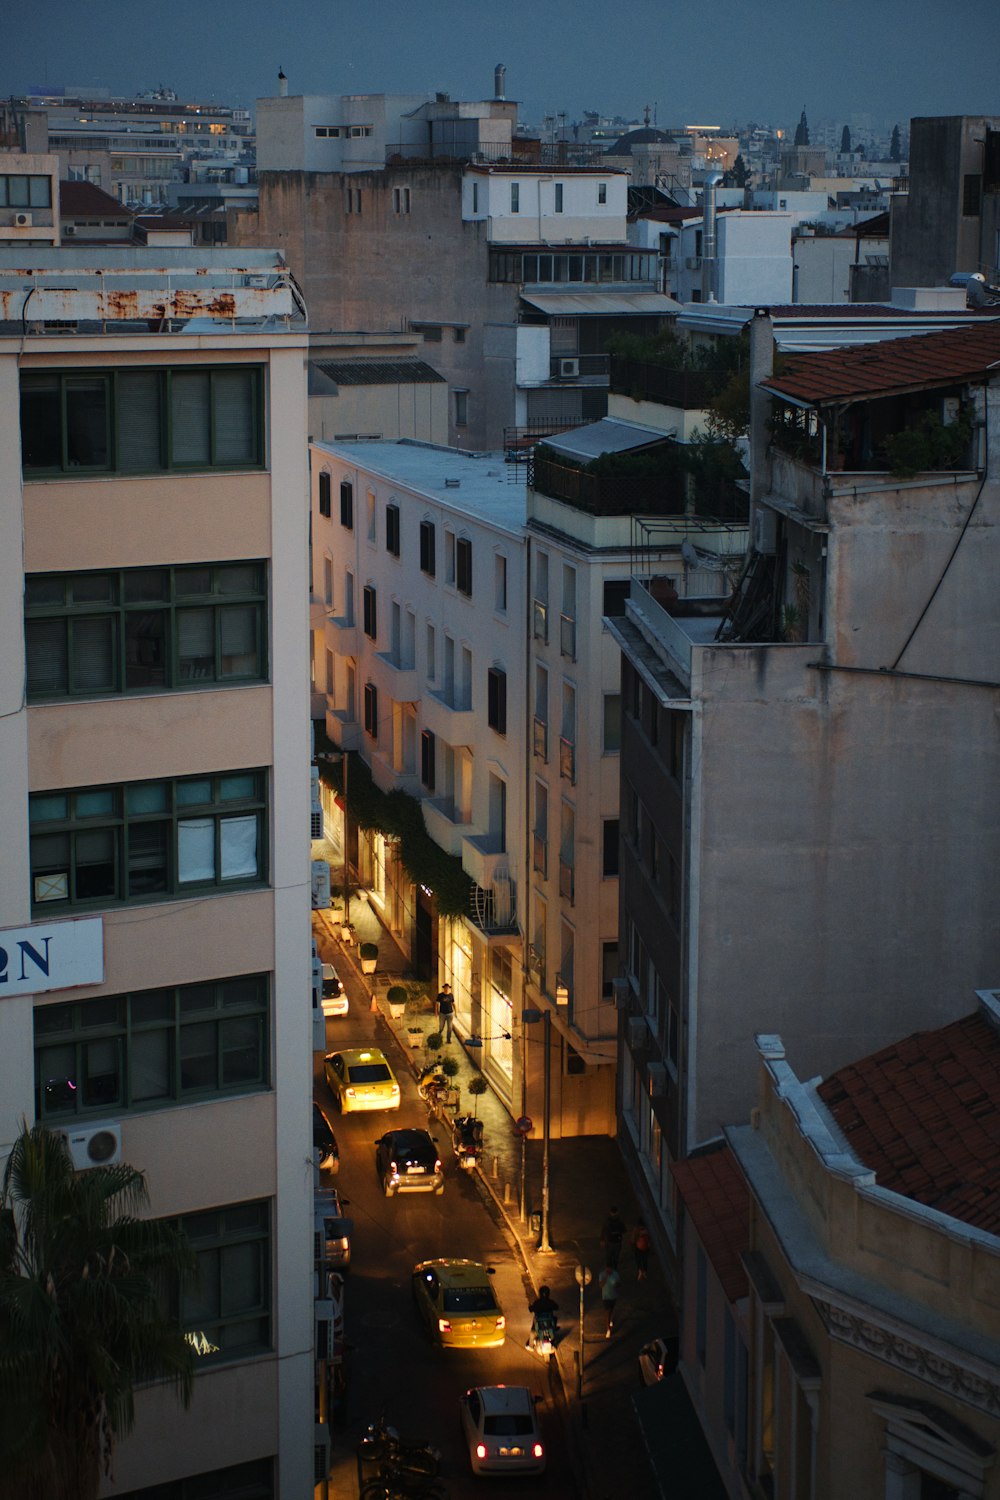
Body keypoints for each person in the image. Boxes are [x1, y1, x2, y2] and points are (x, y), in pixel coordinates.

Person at [600, 1205, 626, 1269]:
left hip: (610, 1242)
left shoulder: (607, 1221)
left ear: (610, 1212)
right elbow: (624, 1230)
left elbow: (603, 1230)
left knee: (609, 1257)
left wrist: (602, 1239)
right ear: (617, 1212)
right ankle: (614, 1271)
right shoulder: (620, 1221)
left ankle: (609, 1271)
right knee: (615, 1258)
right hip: (616, 1242)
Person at [599, 1263, 621, 1337]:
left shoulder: (615, 1274)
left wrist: (616, 1285)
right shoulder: (602, 1274)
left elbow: (619, 1284)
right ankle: (608, 1330)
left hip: (614, 1296)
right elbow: (601, 1285)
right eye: (607, 1269)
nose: (609, 1270)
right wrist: (606, 1277)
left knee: (611, 1310)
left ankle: (611, 1320)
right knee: (607, 1312)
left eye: (610, 1269)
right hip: (605, 1297)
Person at [632, 1217, 650, 1281]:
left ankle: (640, 1271)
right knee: (645, 1260)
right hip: (645, 1247)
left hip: (638, 1247)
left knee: (638, 1260)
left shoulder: (636, 1229)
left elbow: (633, 1239)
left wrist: (633, 1244)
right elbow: (648, 1239)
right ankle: (645, 1272)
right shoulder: (646, 1230)